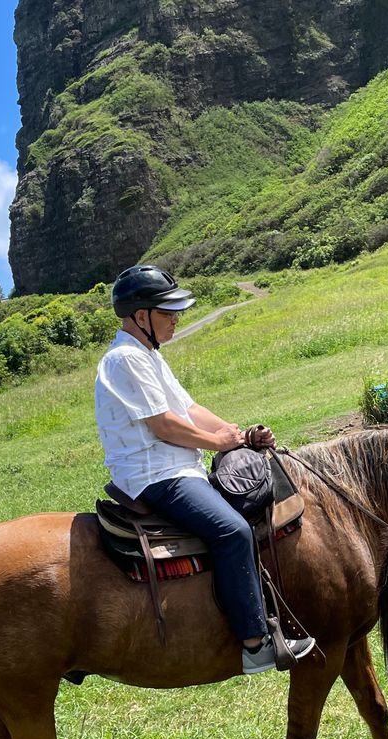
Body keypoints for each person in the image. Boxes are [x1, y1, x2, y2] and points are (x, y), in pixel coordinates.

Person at [94, 263, 315, 675]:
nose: (176, 318)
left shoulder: (148, 356)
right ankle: (255, 644)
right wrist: (218, 443)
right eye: (168, 311)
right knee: (232, 531)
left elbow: (189, 409)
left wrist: (238, 434)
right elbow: (163, 425)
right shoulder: (124, 359)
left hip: (177, 468)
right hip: (157, 476)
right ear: (141, 316)